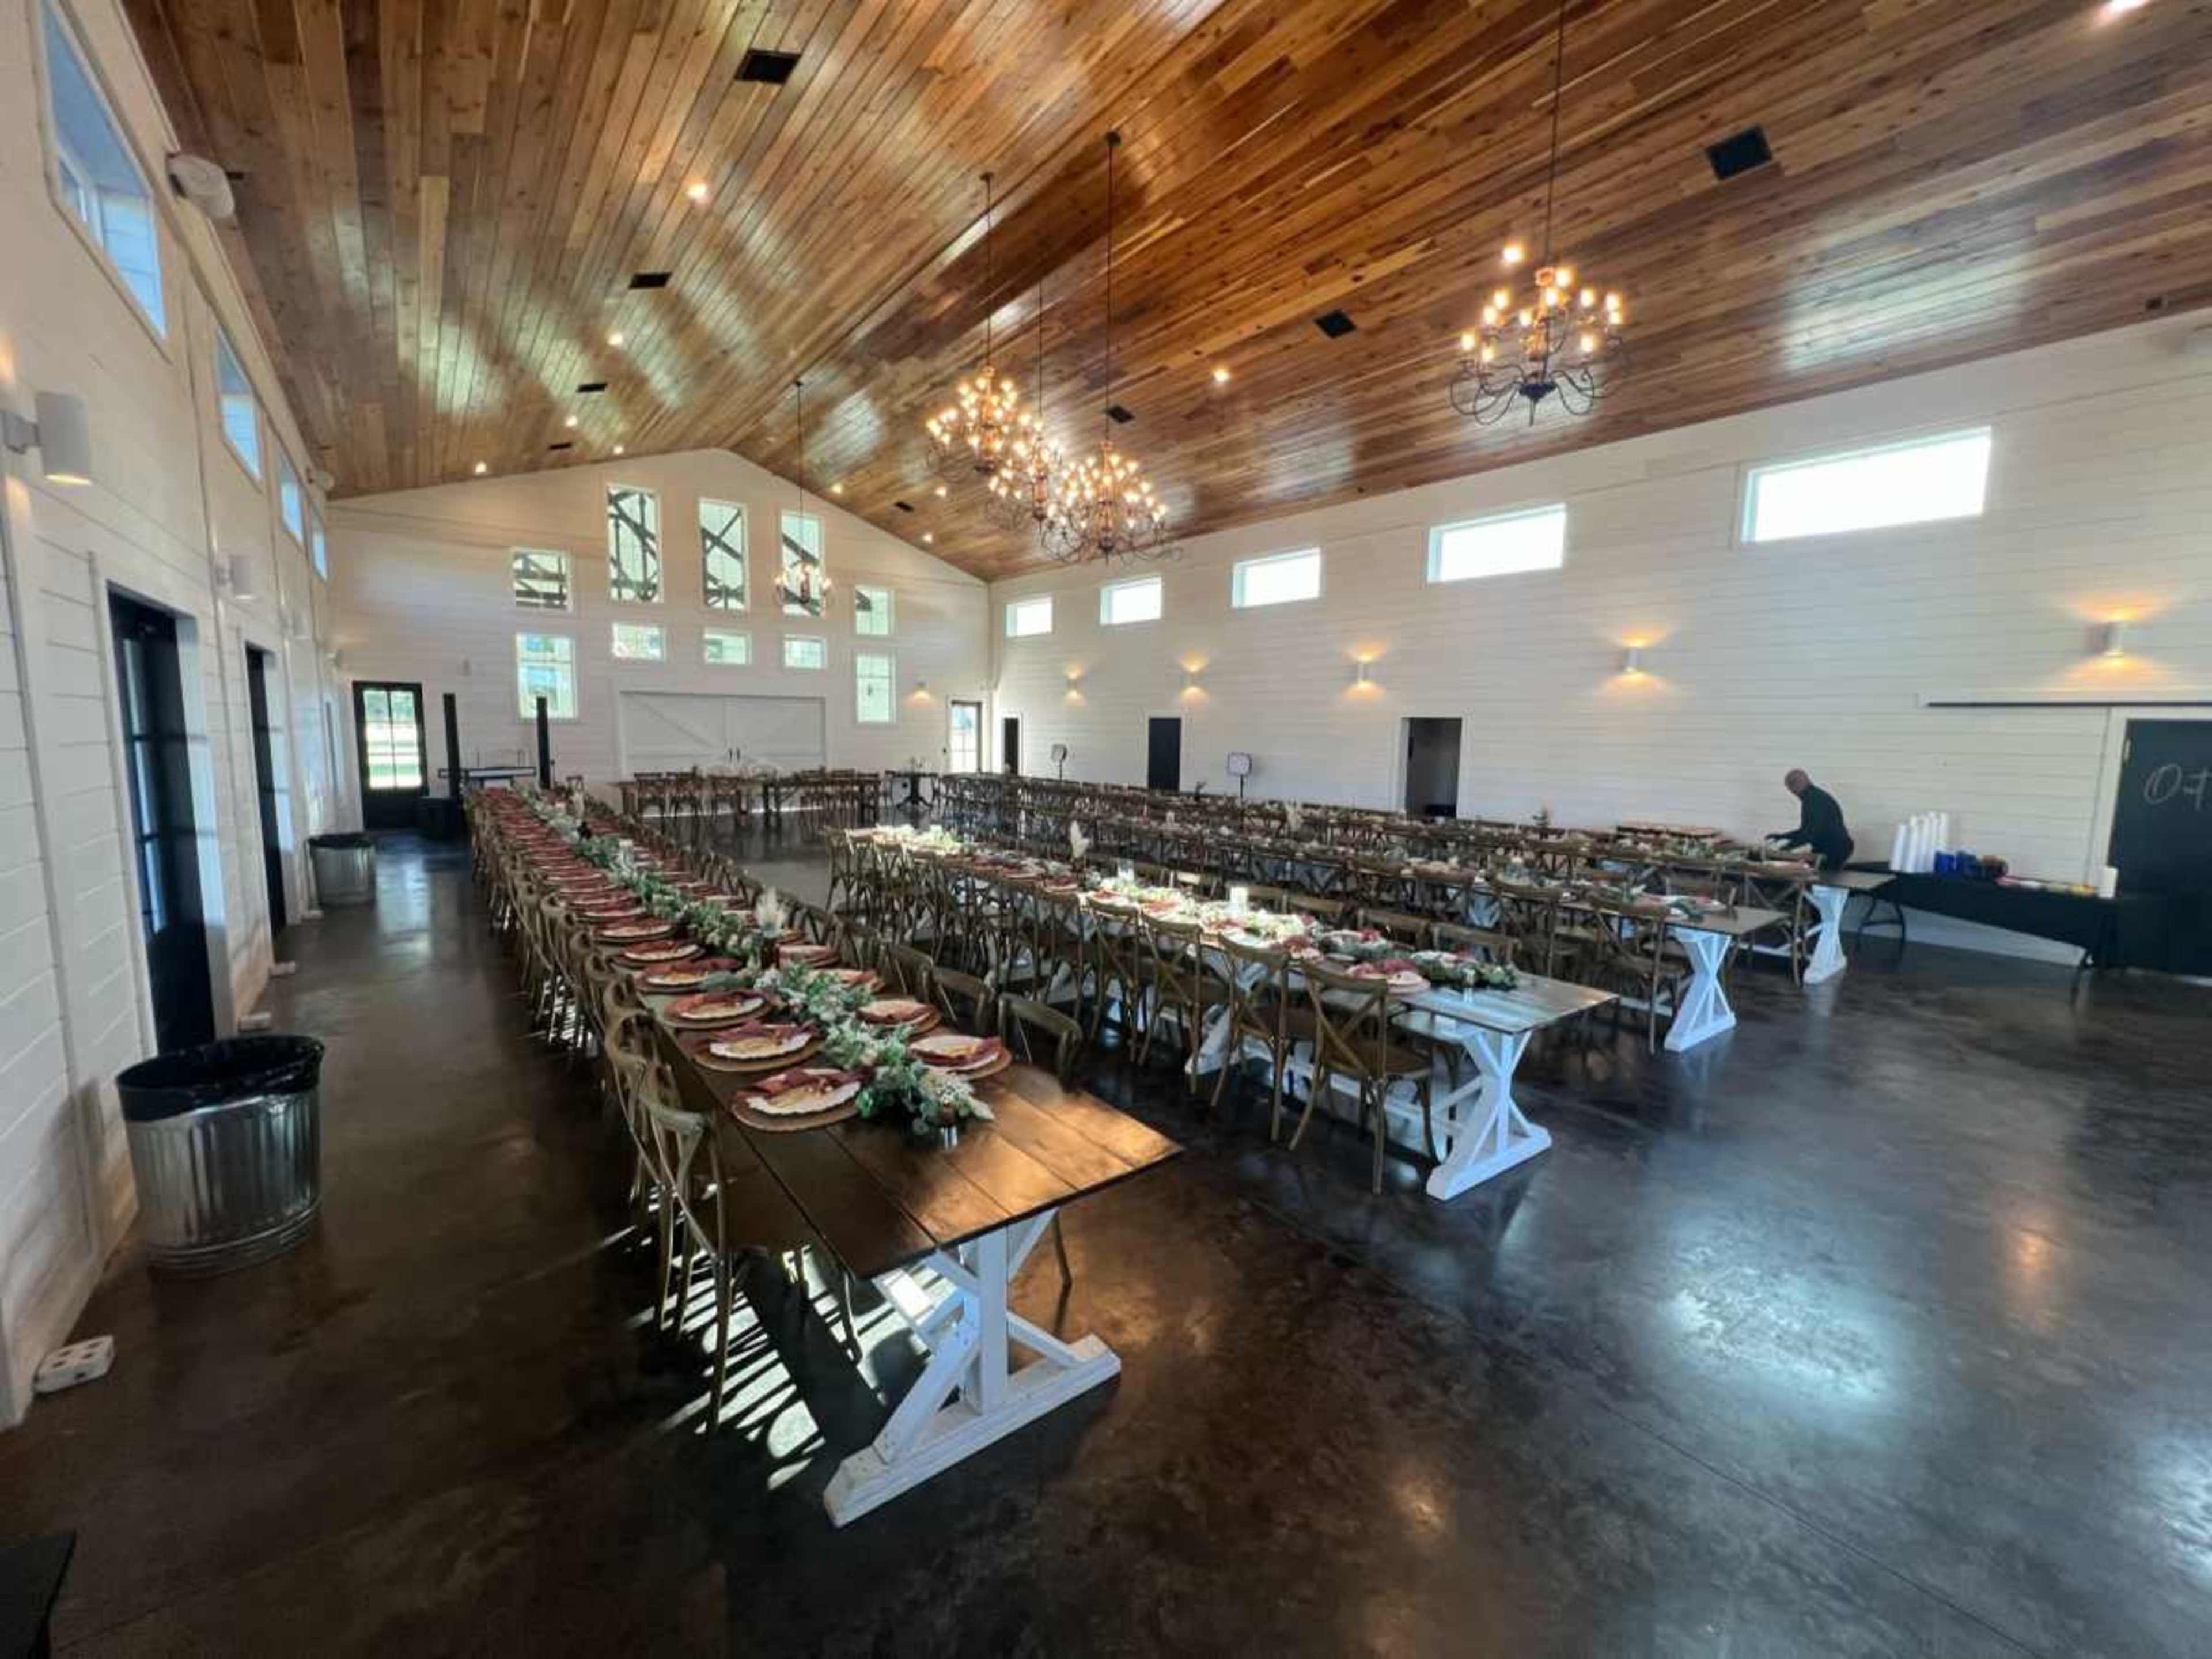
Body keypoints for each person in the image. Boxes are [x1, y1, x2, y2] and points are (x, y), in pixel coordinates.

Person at [1770, 770, 1853, 870]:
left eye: (1790, 788)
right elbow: (1806, 831)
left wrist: (1785, 849)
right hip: (1831, 846)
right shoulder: (1812, 797)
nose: (1792, 792)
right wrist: (1783, 836)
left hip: (1835, 848)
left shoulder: (1814, 800)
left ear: (1796, 785)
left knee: (1821, 879)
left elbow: (1811, 833)